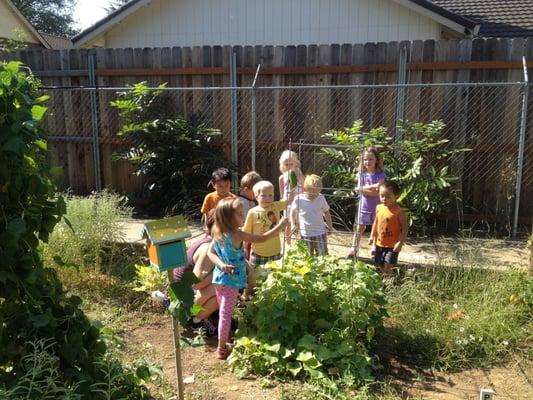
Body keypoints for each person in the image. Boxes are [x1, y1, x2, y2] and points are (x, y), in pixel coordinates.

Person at [207, 197, 287, 359]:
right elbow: (263, 238)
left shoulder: (217, 230)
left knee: (224, 311)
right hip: (231, 282)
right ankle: (221, 348)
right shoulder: (237, 234)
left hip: (219, 279)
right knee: (225, 314)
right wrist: (281, 225)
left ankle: (225, 340)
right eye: (239, 214)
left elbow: (211, 253)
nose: (243, 217)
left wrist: (221, 265)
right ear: (228, 217)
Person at [171, 210, 218, 334]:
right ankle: (196, 320)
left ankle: (203, 314)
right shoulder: (208, 248)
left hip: (182, 293)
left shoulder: (210, 241)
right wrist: (218, 274)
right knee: (222, 287)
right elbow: (196, 283)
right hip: (181, 300)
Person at [348, 148, 386, 258]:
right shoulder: (361, 174)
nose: (367, 162)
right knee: (360, 226)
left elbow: (379, 192)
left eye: (370, 159)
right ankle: (354, 247)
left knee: (377, 227)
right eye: (365, 159)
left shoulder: (381, 175)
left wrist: (364, 189)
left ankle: (374, 247)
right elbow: (359, 190)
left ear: (377, 161)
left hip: (377, 206)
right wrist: (372, 187)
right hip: (364, 205)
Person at [243, 181, 287, 268]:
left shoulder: (276, 206)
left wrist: (294, 189)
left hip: (275, 251)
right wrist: (244, 249)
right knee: (258, 278)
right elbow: (246, 233)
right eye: (263, 195)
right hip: (258, 253)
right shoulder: (252, 212)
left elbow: (288, 201)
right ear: (256, 197)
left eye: (271, 195)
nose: (268, 198)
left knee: (275, 278)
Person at [369, 181, 408, 276]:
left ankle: (388, 284)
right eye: (382, 196)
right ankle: (386, 279)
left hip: (392, 246)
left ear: (397, 197)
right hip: (379, 243)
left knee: (388, 265)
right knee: (379, 264)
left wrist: (400, 243)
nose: (384, 199)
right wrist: (371, 236)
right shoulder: (379, 208)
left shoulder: (398, 212)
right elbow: (376, 222)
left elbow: (405, 228)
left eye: (388, 197)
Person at [290, 174, 333, 256]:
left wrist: (330, 226)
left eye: (317, 192)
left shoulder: (321, 198)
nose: (315, 195)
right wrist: (293, 224)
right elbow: (293, 211)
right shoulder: (299, 199)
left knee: (322, 255)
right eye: (312, 192)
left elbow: (327, 212)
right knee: (307, 256)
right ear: (305, 189)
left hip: (320, 232)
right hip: (305, 233)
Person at [278, 150, 304, 244]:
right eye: (286, 164)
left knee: (300, 222)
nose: (289, 166)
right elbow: (281, 192)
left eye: (291, 164)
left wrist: (298, 176)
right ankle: (288, 242)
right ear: (282, 165)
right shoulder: (282, 177)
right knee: (288, 223)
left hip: (299, 202)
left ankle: (302, 242)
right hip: (288, 203)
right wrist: (283, 201)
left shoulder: (299, 174)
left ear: (296, 164)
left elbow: (304, 185)